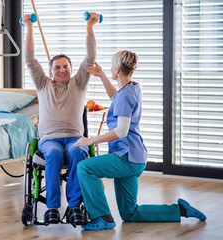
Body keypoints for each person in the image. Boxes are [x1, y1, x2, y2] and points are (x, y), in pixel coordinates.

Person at [74, 50, 207, 230]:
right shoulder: (132, 87)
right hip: (135, 157)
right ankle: (180, 210)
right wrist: (103, 76)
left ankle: (102, 217)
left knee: (85, 168)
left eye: (112, 66)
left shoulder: (126, 94)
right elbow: (116, 98)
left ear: (118, 69)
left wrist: (89, 141)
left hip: (126, 158)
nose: (110, 68)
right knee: (129, 213)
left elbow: (121, 131)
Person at [21, 12, 100, 226]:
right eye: (57, 67)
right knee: (54, 154)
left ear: (73, 70)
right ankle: (53, 208)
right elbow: (29, 59)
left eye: (66, 66)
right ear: (50, 71)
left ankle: (74, 206)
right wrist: (29, 28)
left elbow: (90, 57)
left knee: (76, 151)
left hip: (75, 138)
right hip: (49, 139)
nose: (62, 69)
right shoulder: (43, 84)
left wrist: (90, 26)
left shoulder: (79, 83)